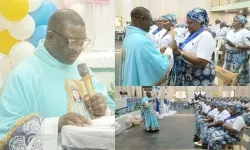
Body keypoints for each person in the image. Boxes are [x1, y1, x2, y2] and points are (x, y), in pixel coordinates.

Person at [0, 9, 115, 149]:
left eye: (82, 43)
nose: (77, 49)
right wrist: (56, 125)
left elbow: (109, 108)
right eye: (72, 42)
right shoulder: (22, 76)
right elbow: (6, 134)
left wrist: (102, 108)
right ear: (50, 37)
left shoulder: (80, 68)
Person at [121, 7, 173, 86]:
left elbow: (138, 55)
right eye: (150, 21)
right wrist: (169, 49)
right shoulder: (142, 41)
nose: (151, 25)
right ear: (142, 19)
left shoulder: (129, 37)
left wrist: (157, 51)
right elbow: (162, 66)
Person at [167, 8, 216, 86]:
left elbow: (202, 61)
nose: (188, 26)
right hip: (188, 74)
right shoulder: (190, 33)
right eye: (187, 23)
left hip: (200, 76)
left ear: (200, 22)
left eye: (190, 23)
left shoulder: (206, 36)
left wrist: (180, 53)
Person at [221, 15, 250, 85]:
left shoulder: (245, 32)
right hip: (228, 55)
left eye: (235, 21)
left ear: (241, 23)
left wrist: (236, 46)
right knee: (227, 74)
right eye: (233, 21)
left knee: (237, 76)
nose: (233, 23)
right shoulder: (230, 31)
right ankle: (228, 90)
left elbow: (249, 46)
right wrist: (222, 54)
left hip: (239, 57)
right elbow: (226, 44)